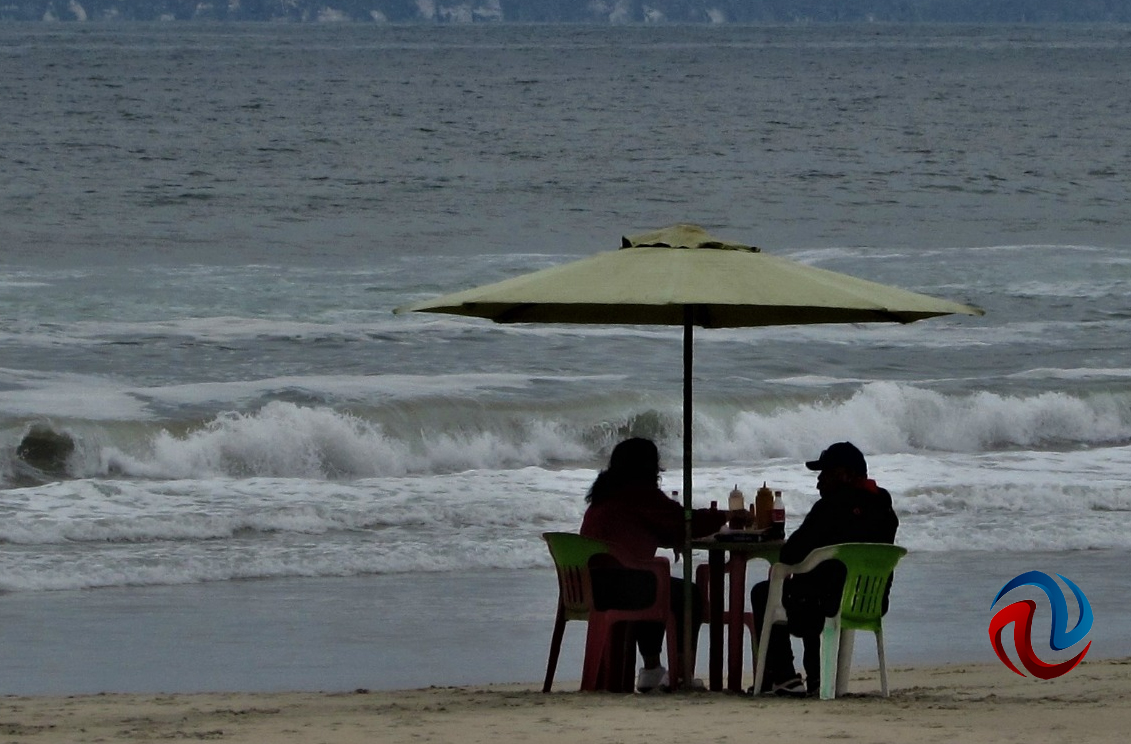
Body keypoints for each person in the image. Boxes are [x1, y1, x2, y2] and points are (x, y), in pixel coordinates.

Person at [750, 441, 899, 697]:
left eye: (825, 473)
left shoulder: (831, 507)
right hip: (866, 600)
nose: (819, 481)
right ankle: (817, 678)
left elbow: (790, 554)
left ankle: (784, 676)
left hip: (821, 603)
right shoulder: (885, 509)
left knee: (764, 592)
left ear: (844, 475)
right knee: (815, 578)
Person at [580, 437, 727, 692]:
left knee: (655, 585)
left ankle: (652, 669)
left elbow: (647, 527)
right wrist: (727, 516)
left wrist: (673, 536)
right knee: (684, 594)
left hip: (590, 586)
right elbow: (684, 522)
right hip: (618, 586)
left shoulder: (607, 493)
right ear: (647, 466)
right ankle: (680, 673)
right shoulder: (638, 493)